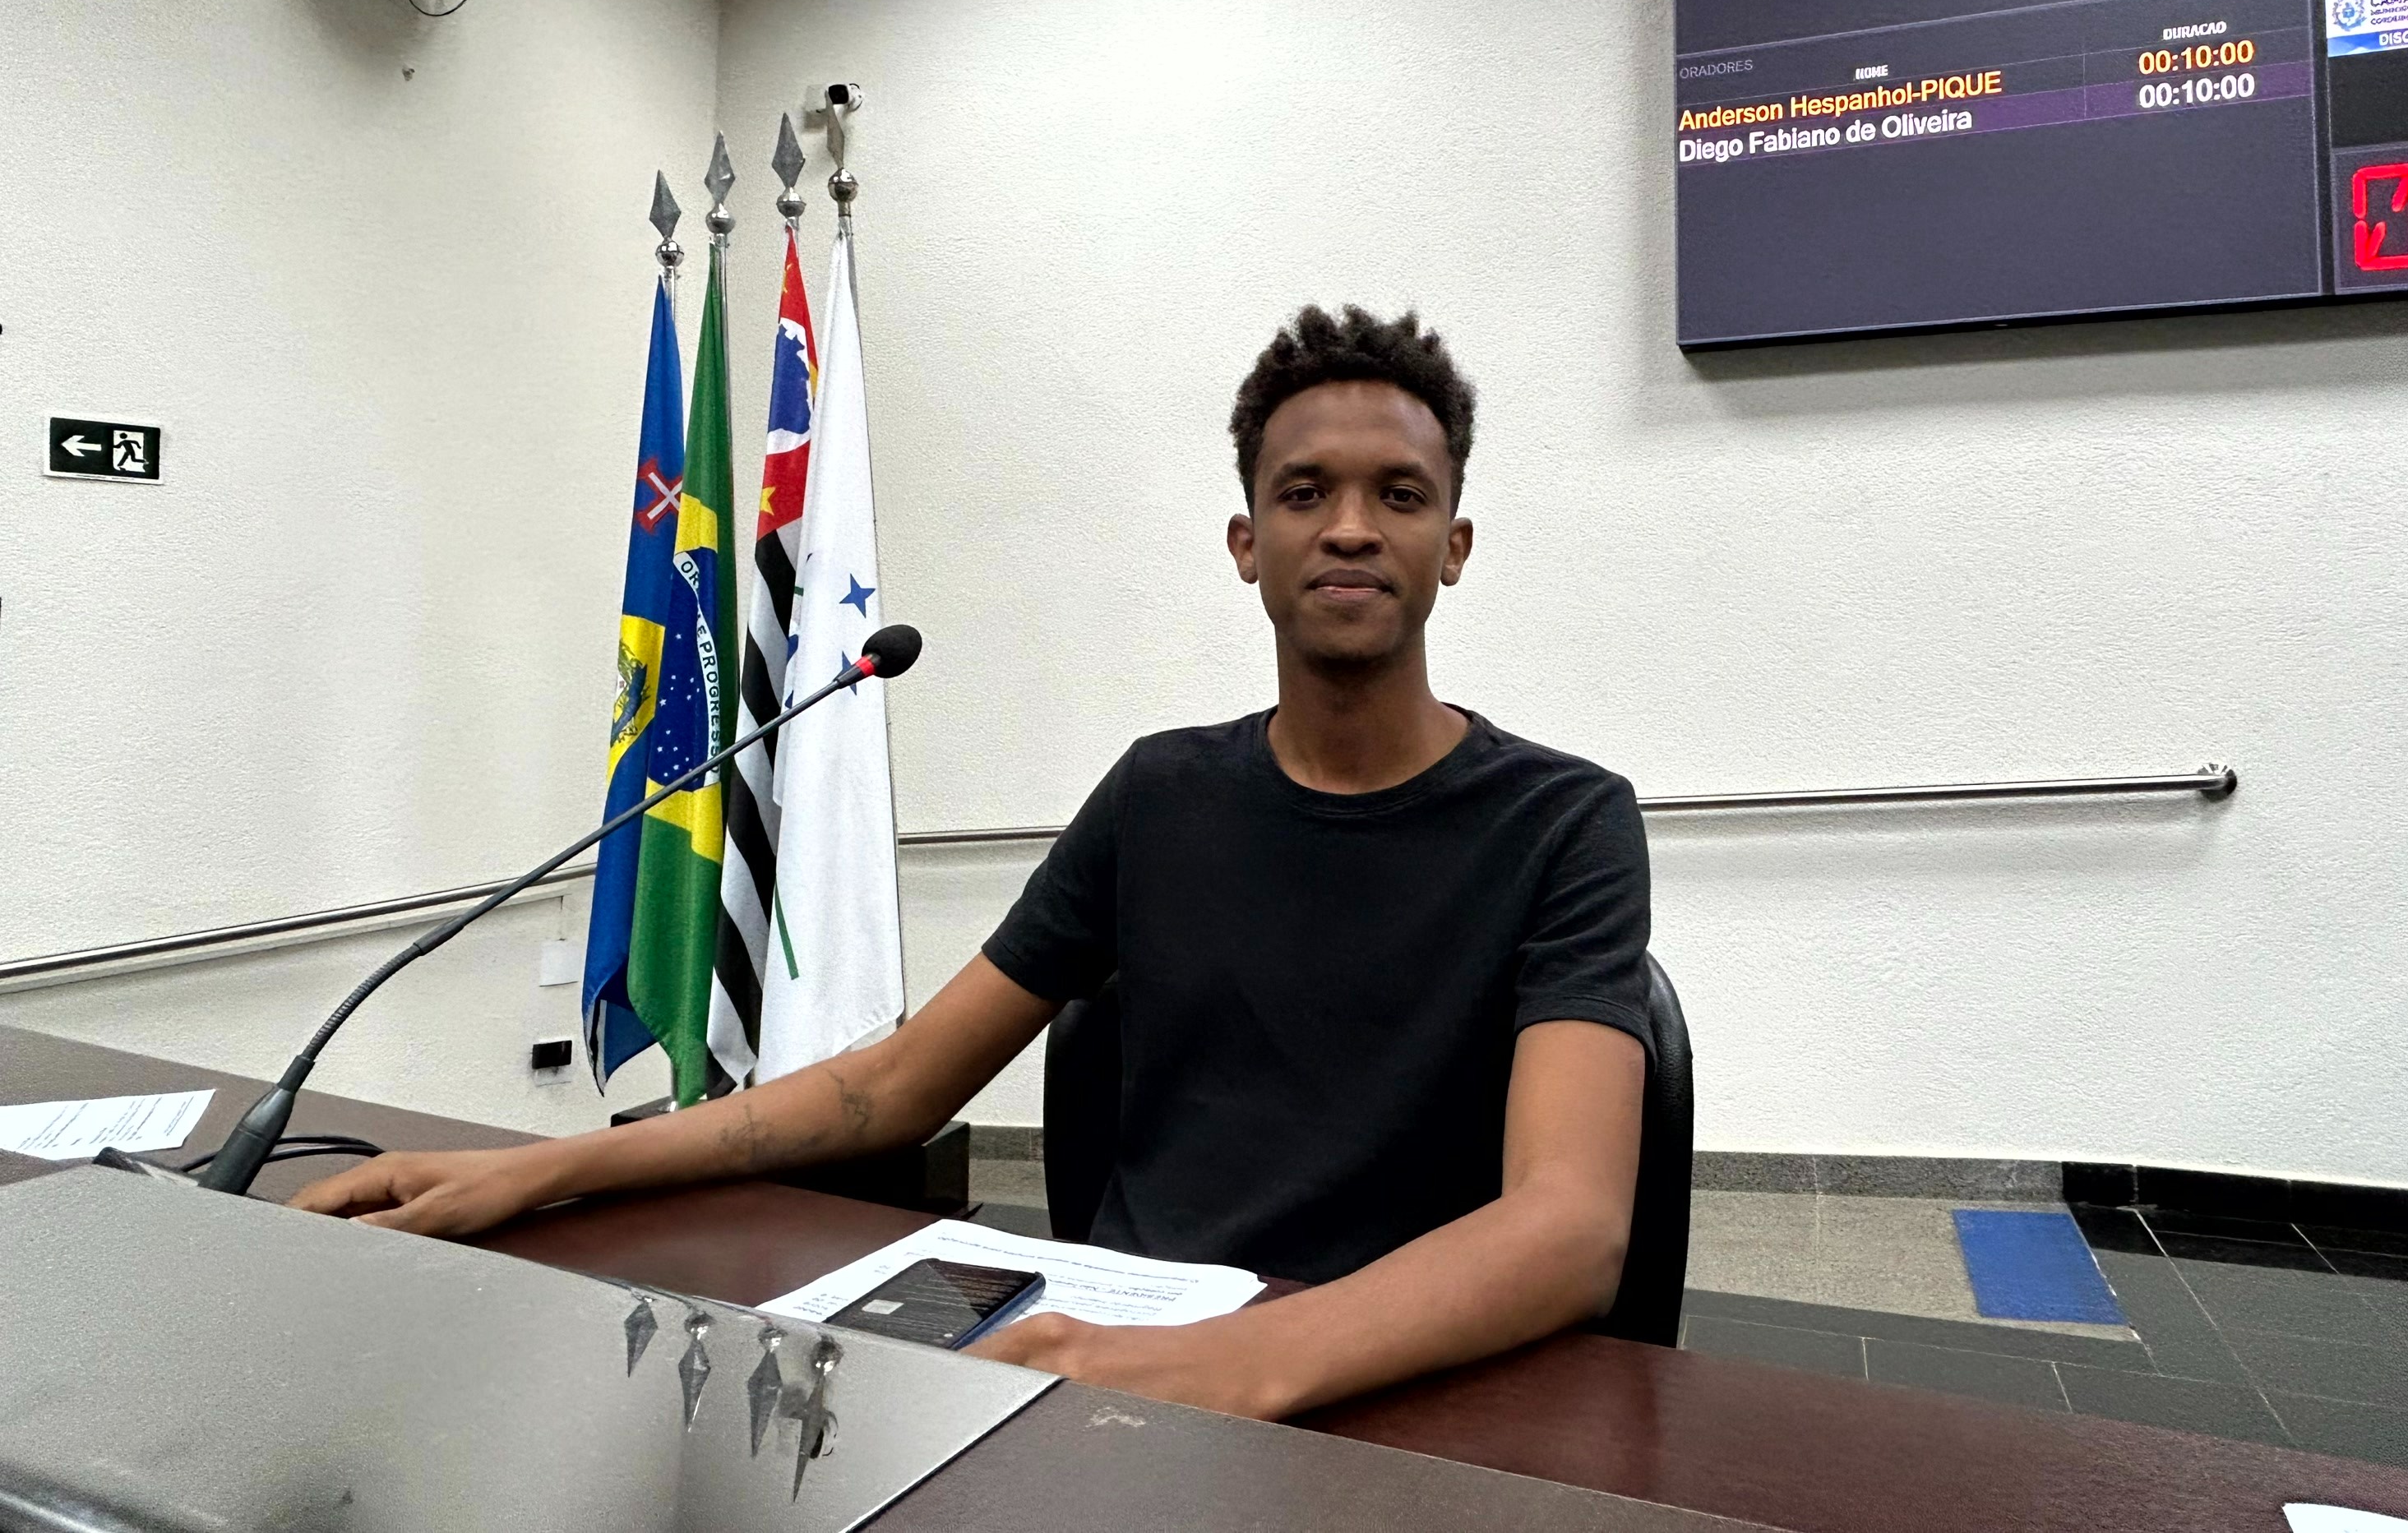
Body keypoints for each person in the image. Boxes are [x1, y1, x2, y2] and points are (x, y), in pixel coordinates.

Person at [293, 306, 1652, 1420]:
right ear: (1248, 544)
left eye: (1399, 495)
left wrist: (1238, 1366)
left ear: (1452, 546)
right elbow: (895, 1083)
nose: (1350, 525)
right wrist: (539, 1171)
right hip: (1112, 1365)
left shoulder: (1567, 821)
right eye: (1305, 492)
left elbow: (1570, 1228)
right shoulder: (1160, 794)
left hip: (1402, 1386)